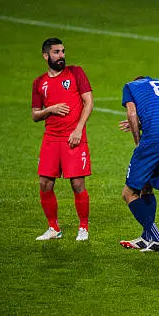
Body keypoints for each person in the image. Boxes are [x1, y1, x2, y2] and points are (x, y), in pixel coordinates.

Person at [32, 38, 93, 241]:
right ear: (46, 55)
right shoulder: (39, 83)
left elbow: (89, 103)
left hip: (73, 138)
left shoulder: (76, 72)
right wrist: (50, 109)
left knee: (77, 184)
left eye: (63, 51)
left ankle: (83, 227)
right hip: (51, 139)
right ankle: (53, 228)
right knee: (45, 184)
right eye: (57, 52)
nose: (61, 56)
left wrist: (78, 130)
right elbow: (35, 115)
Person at [119, 76, 159, 252]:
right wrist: (141, 122)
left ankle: (156, 237)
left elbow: (131, 113)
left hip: (152, 142)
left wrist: (138, 141)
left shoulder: (130, 86)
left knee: (129, 193)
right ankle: (147, 238)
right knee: (146, 187)